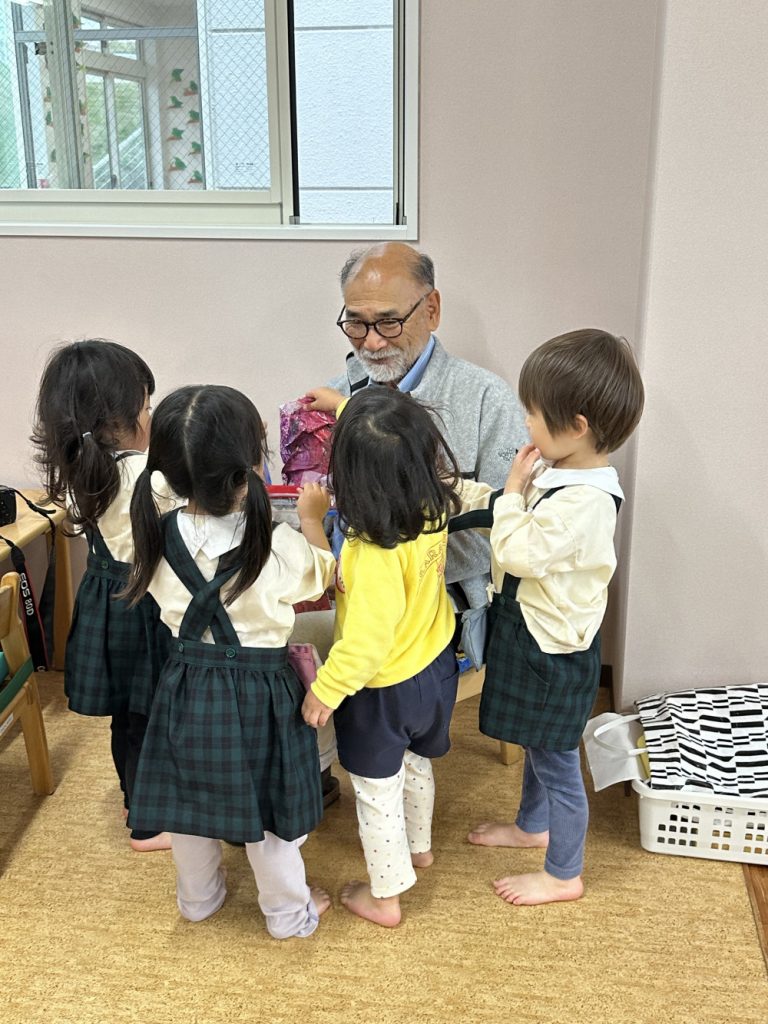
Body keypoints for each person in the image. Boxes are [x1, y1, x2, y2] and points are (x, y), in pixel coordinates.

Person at [123, 384, 336, 938]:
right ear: (250, 467)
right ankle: (288, 915)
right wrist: (313, 521)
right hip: (261, 692)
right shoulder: (279, 542)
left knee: (188, 803)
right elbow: (324, 577)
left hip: (186, 685)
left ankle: (198, 900)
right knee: (271, 814)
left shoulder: (154, 533)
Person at [456, 328, 644, 906]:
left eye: (533, 415)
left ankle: (564, 873)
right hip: (533, 631)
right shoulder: (565, 471)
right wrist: (468, 494)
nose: (526, 424)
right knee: (538, 746)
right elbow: (508, 513)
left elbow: (518, 550)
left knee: (558, 763)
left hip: (551, 649)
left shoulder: (585, 502)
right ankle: (531, 826)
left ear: (577, 426)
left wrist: (513, 490)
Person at [301, 388, 461, 928]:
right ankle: (419, 847)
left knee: (375, 791)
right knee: (416, 763)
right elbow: (390, 442)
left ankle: (386, 896)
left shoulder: (371, 551)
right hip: (434, 667)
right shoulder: (429, 507)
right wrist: (344, 405)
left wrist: (326, 690)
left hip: (384, 688)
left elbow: (365, 644)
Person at [31, 339, 172, 852]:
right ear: (118, 419)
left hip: (106, 600)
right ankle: (151, 824)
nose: (152, 417)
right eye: (146, 408)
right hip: (146, 600)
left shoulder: (80, 470)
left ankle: (136, 802)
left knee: (128, 715)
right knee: (155, 713)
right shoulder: (146, 475)